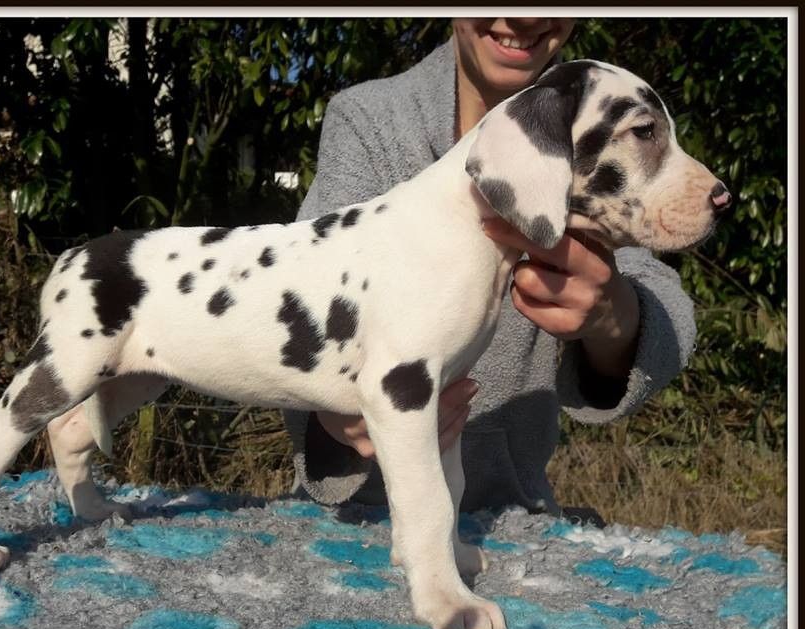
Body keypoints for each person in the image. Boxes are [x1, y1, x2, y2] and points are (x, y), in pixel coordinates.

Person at [283, 18, 697, 519]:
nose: (525, 16)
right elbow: (302, 293)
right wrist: (334, 414)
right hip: (355, 513)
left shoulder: (594, 112)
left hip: (511, 518)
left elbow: (666, 307)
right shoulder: (372, 118)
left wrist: (615, 316)